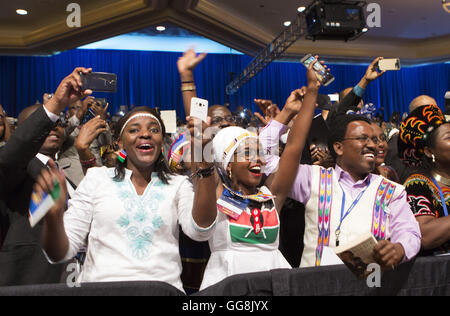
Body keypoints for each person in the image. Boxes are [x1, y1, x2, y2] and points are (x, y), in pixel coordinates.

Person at [36, 106, 217, 292]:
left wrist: (205, 165)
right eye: (134, 130)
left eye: (154, 130)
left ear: (162, 141)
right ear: (120, 142)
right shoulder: (97, 179)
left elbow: (200, 231)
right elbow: (60, 253)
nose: (145, 134)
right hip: (100, 291)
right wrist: (53, 218)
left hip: (161, 291)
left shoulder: (177, 184)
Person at [199, 57, 322, 289]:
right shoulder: (215, 195)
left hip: (274, 284)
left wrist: (312, 91)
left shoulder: (271, 195)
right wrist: (199, 133)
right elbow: (203, 165)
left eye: (258, 153)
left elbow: (294, 148)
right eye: (246, 153)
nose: (257, 159)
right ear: (227, 165)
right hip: (228, 286)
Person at [260, 112, 422, 269]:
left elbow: (409, 232)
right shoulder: (312, 178)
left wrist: (400, 249)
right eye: (363, 139)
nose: (373, 145)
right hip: (316, 287)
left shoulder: (392, 191)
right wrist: (286, 113)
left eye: (374, 139)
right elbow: (264, 162)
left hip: (370, 287)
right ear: (339, 147)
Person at [0, 67, 94, 285]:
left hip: (77, 280)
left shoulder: (65, 173)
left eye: (59, 123)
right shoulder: (16, 169)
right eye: (47, 125)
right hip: (32, 279)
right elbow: (11, 157)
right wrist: (54, 107)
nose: (54, 128)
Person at [398, 104, 450, 256]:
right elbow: (425, 236)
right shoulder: (417, 184)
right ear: (429, 151)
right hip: (438, 274)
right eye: (449, 137)